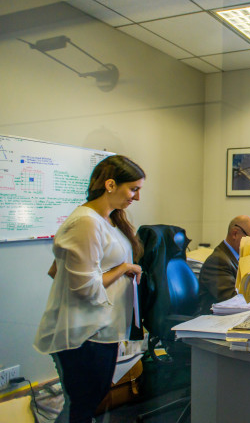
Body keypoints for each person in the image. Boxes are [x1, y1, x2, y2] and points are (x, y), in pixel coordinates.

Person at [33, 155, 145, 423]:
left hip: (101, 329)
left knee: (88, 404)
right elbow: (84, 287)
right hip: (84, 335)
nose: (136, 197)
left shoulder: (107, 220)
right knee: (81, 407)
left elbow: (56, 270)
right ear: (110, 184)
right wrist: (124, 269)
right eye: (133, 189)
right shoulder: (86, 221)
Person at [197, 215, 250, 314]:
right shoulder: (217, 261)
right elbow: (231, 300)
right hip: (214, 321)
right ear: (235, 234)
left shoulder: (236, 257)